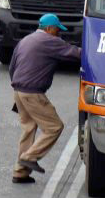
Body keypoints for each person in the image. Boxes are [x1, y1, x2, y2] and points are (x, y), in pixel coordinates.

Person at [9, 13, 81, 183]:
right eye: (57, 30)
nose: (59, 34)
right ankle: (29, 157)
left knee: (28, 128)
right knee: (54, 127)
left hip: (18, 90)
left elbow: (13, 67)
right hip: (33, 92)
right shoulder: (49, 41)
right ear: (49, 28)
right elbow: (76, 54)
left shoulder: (26, 40)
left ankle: (20, 173)